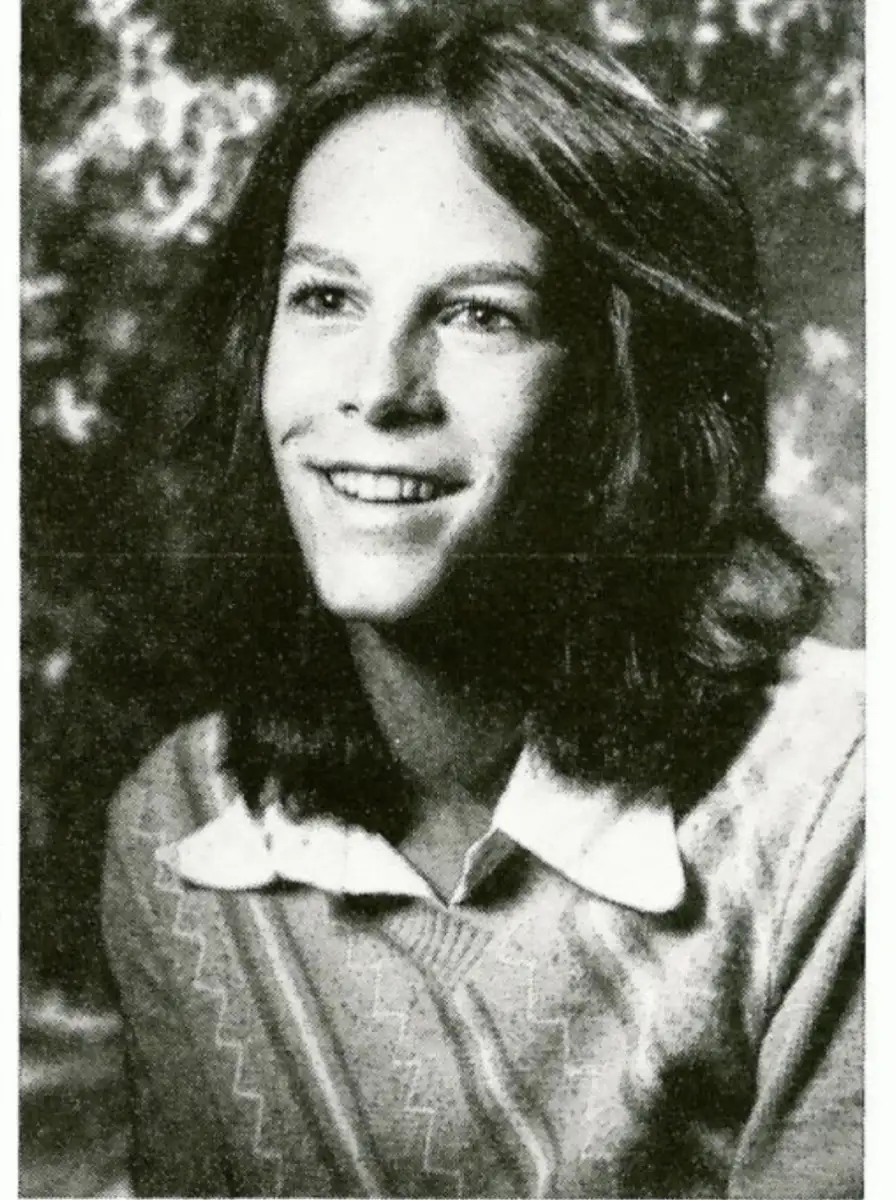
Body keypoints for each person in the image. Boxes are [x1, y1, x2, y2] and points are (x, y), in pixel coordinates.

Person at [101, 8, 864, 1198]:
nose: (376, 389)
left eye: (479, 315)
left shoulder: (841, 797)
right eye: (325, 300)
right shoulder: (179, 830)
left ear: (623, 389)